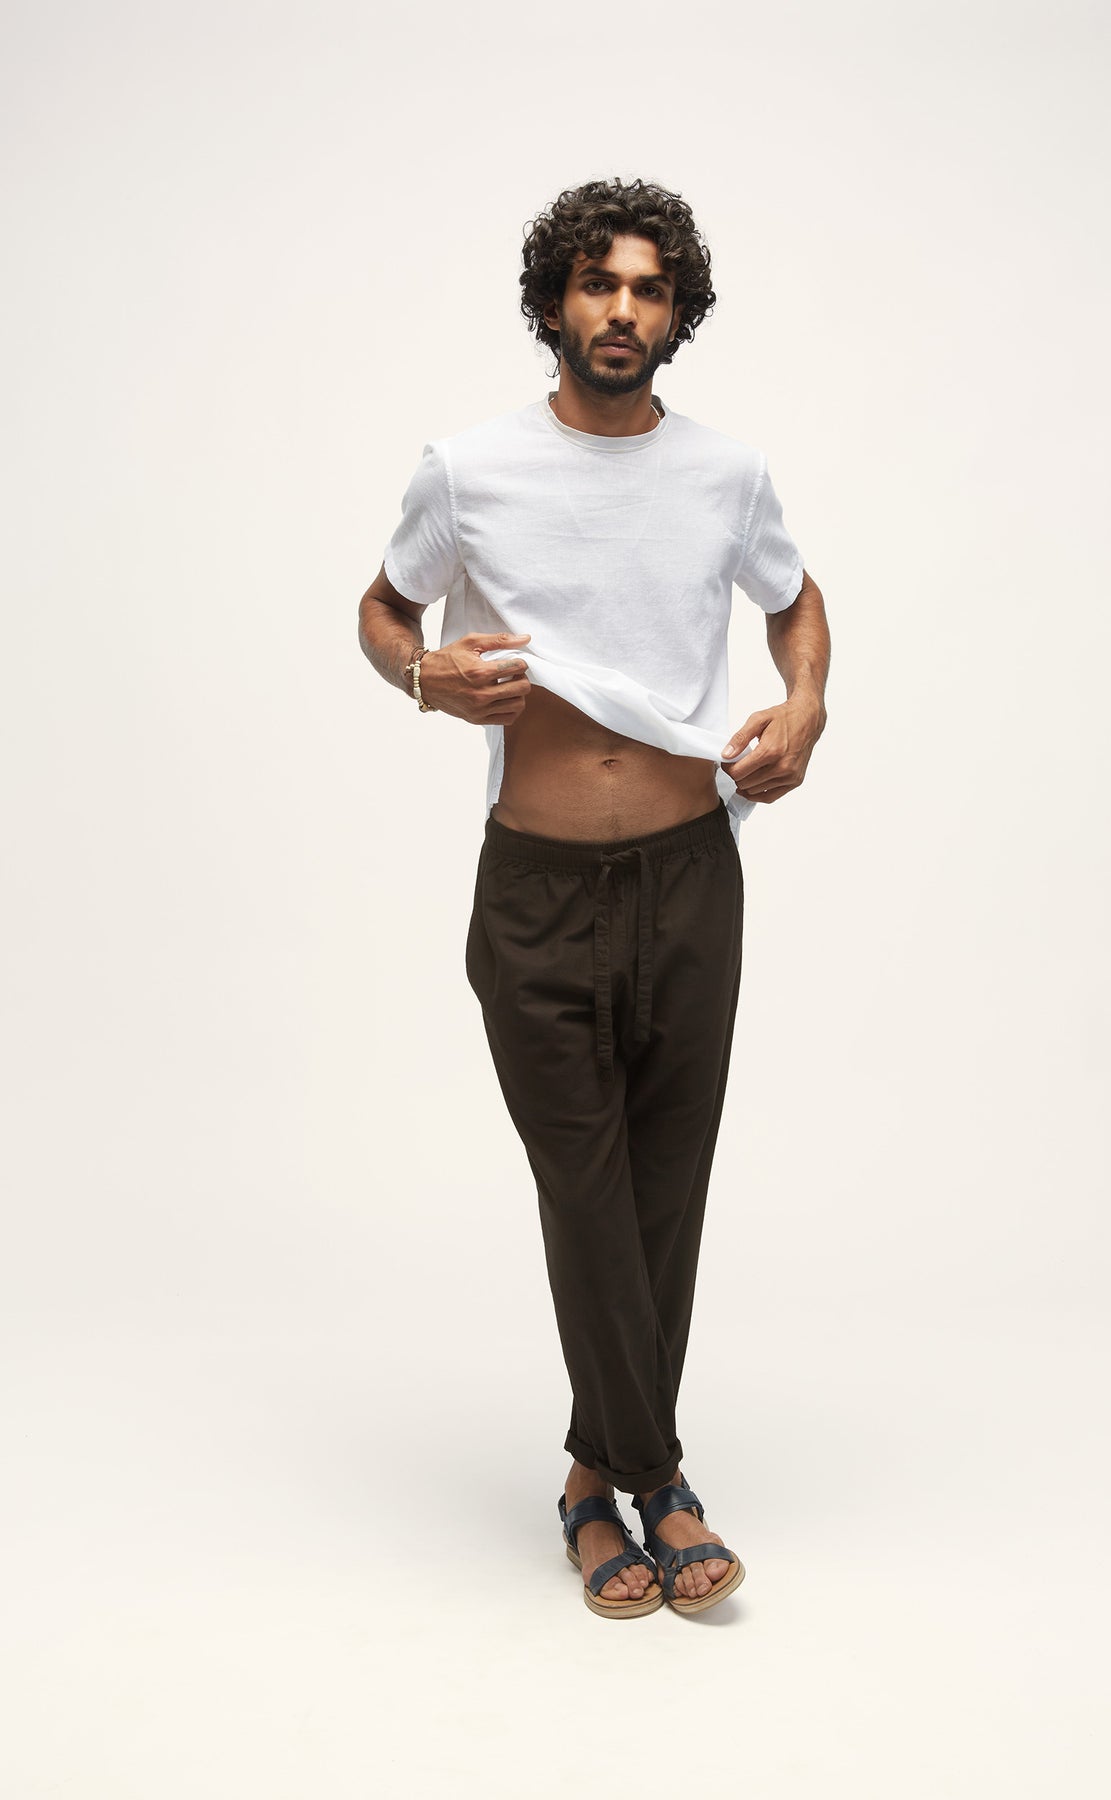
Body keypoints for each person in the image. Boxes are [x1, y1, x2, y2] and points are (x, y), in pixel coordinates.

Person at [358, 177, 830, 1619]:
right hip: (537, 887)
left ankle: (588, 1480)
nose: (622, 310)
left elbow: (797, 602)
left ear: (677, 314)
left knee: (664, 1192)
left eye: (648, 289)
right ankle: (660, 1481)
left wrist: (806, 704)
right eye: (596, 283)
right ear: (554, 301)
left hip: (692, 874)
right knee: (586, 1189)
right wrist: (424, 676)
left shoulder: (728, 474)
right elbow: (382, 610)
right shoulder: (468, 470)